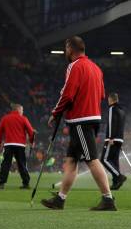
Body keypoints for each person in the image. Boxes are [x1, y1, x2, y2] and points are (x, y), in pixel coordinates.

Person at [41, 36, 116, 211]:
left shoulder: (73, 66)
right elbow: (102, 95)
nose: (65, 52)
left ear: (70, 48)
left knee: (91, 159)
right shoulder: (96, 68)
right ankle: (60, 199)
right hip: (92, 118)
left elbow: (67, 95)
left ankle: (108, 199)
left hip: (80, 120)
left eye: (66, 48)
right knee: (71, 161)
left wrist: (56, 113)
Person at [0, 103, 35, 189]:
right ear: (18, 110)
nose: (23, 112)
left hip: (8, 144)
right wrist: (31, 141)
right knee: (22, 164)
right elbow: (31, 132)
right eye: (22, 110)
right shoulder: (23, 118)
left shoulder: (5, 118)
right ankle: (26, 183)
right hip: (20, 145)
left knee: (6, 164)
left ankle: (2, 183)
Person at [101, 92, 127, 190]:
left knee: (104, 159)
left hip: (112, 139)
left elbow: (112, 123)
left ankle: (119, 176)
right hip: (119, 139)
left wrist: (111, 137)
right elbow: (121, 126)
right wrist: (120, 140)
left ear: (111, 99)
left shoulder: (112, 108)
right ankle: (116, 183)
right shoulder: (122, 110)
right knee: (114, 161)